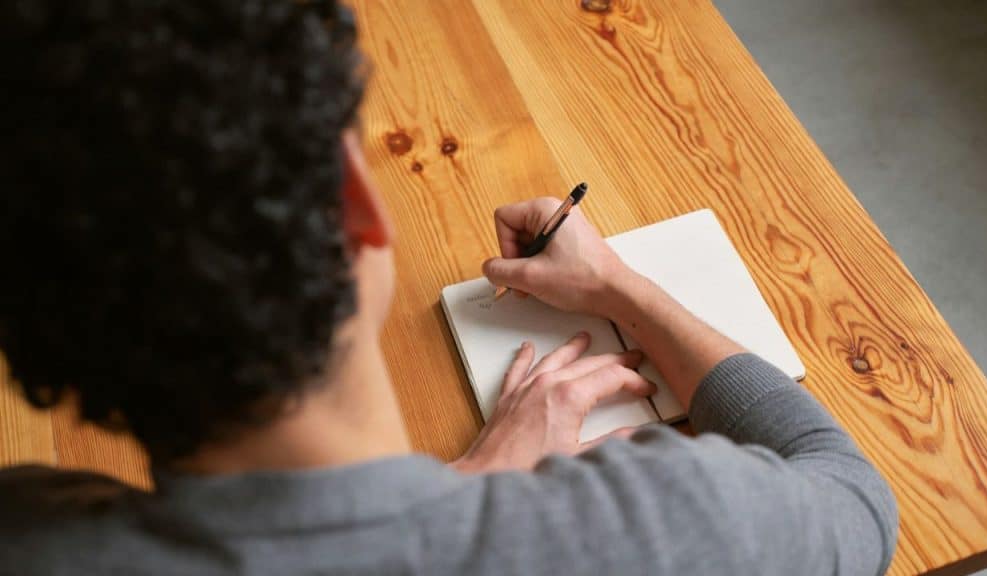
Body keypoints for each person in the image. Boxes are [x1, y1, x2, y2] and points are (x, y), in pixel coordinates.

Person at [0, 1, 897, 574]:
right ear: (355, 205)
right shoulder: (667, 528)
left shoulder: (30, 536)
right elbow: (853, 494)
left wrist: (468, 480)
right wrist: (622, 289)